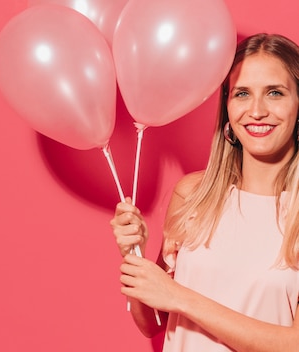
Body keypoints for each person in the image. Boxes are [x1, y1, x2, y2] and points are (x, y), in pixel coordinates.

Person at [110, 32, 299, 351]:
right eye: (241, 94)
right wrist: (134, 253)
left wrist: (181, 298)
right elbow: (152, 323)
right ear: (227, 106)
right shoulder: (193, 194)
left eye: (274, 93)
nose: (256, 111)